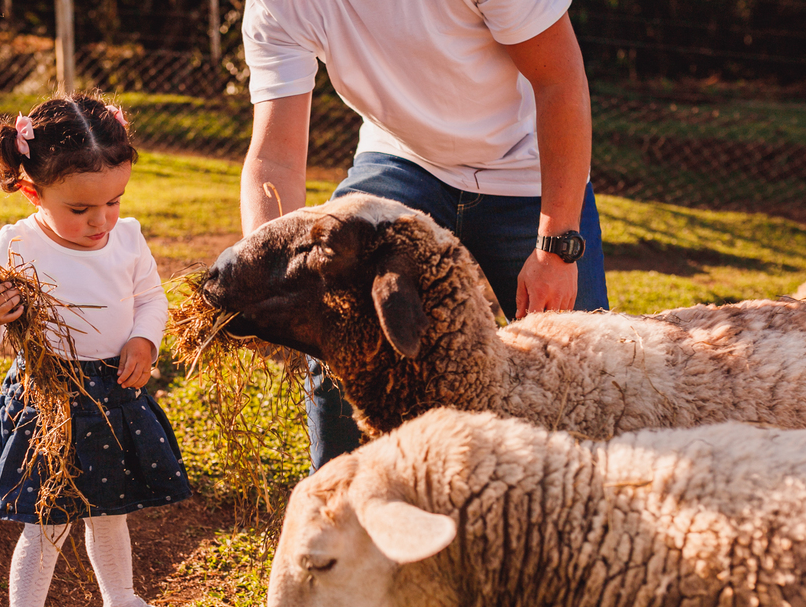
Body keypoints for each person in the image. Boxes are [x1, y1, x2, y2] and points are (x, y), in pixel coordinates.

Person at [239, 0, 609, 471]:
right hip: (404, 159)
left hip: (528, 170)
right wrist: (272, 280)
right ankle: (342, 508)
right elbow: (275, 158)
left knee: (583, 371)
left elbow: (560, 82)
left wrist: (556, 246)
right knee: (335, 312)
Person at [0, 93, 192, 607]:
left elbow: (149, 298)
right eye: (82, 208)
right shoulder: (17, 244)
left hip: (111, 395)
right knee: (49, 520)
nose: (102, 220)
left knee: (110, 512)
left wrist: (144, 341)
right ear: (34, 193)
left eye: (114, 201)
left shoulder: (128, 236)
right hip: (50, 400)